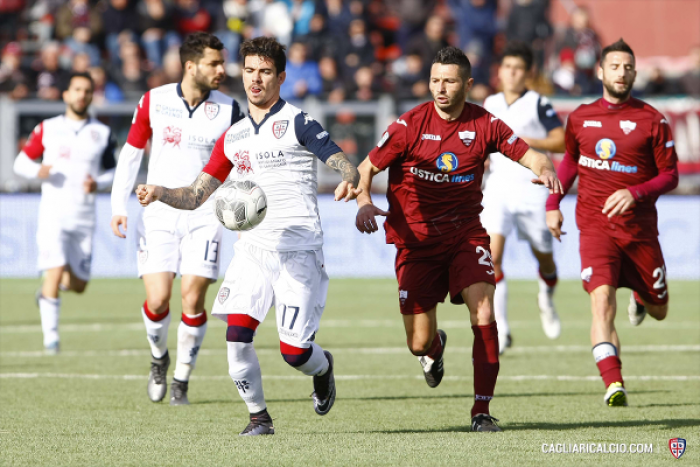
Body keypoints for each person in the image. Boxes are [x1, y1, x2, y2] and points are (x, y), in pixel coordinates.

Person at [134, 36, 361, 435]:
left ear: (281, 76)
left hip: (298, 250)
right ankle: (259, 418)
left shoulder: (298, 122)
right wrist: (159, 193)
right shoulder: (233, 136)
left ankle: (322, 369)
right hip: (253, 250)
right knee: (236, 336)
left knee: (295, 354)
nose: (255, 80)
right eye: (250, 70)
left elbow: (342, 160)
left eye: (266, 72)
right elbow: (195, 194)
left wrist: (348, 176)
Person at [354, 47, 563, 432]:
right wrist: (365, 202)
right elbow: (365, 168)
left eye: (449, 81)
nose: (441, 88)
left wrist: (545, 167)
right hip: (415, 242)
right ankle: (433, 348)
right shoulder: (409, 125)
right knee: (418, 343)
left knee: (484, 311)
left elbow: (530, 155)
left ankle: (481, 411)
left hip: (465, 234)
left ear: (467, 84)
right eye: (435, 80)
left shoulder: (485, 124)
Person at [110, 32, 245, 406]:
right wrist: (118, 205)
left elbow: (239, 163)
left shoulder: (230, 108)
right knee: (157, 300)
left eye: (222, 63)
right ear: (190, 66)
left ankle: (182, 377)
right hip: (157, 211)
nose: (222, 70)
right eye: (214, 63)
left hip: (205, 215)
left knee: (192, 298)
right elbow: (131, 153)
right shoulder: (153, 100)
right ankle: (159, 358)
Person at [546, 39, 679, 407]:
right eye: (615, 66)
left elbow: (670, 176)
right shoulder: (580, 117)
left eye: (628, 67)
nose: (622, 73)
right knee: (601, 303)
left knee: (660, 310)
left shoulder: (653, 120)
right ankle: (613, 382)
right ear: (601, 72)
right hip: (595, 225)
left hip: (639, 232)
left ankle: (641, 296)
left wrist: (634, 193)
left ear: (635, 73)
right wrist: (553, 202)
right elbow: (570, 164)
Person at [13, 71, 116, 354]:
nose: (82, 95)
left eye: (87, 90)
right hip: (53, 214)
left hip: (84, 217)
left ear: (91, 95)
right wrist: (37, 170)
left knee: (79, 284)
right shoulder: (48, 127)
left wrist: (99, 183)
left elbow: (114, 171)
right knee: (54, 271)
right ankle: (52, 340)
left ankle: (46, 294)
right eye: (77, 89)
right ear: (66, 95)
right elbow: (20, 162)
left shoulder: (102, 133)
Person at [481, 42, 566, 355]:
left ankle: (546, 294)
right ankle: (501, 328)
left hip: (532, 186)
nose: (511, 73)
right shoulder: (489, 102)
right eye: (507, 67)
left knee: (544, 256)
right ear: (500, 71)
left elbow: (561, 140)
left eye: (517, 68)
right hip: (498, 187)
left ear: (528, 73)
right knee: (492, 258)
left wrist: (529, 142)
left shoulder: (537, 103)